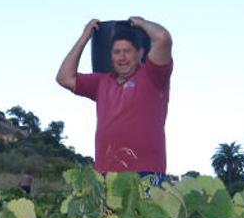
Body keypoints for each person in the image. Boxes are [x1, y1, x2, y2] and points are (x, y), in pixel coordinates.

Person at [56, 16, 173, 178]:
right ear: (111, 56)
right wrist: (85, 36)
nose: (122, 57)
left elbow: (163, 38)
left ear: (140, 53)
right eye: (117, 52)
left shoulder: (153, 76)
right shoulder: (102, 82)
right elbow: (64, 77)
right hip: (106, 173)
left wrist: (141, 23)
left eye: (127, 51)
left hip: (146, 172)